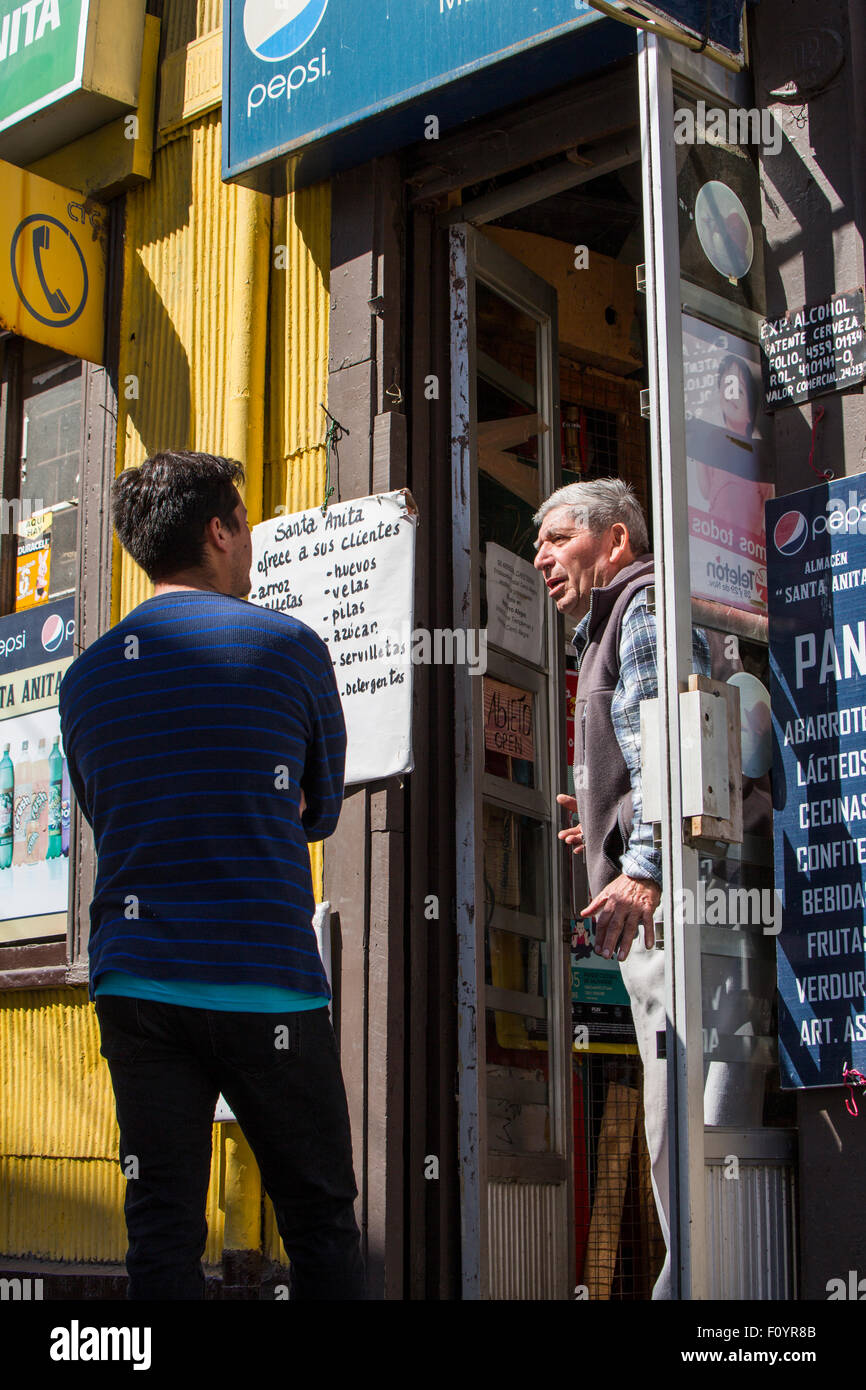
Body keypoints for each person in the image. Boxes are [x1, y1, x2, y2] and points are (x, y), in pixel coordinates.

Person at [59, 450, 366, 1301]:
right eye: (245, 526)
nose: (251, 547)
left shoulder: (84, 679)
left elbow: (104, 809)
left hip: (137, 983)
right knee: (320, 1221)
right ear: (219, 531)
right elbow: (321, 809)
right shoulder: (293, 648)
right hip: (265, 980)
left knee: (160, 1226)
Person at [532, 477, 710, 1300]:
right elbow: (642, 757)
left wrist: (641, 866)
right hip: (675, 907)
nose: (542, 558)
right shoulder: (619, 620)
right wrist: (601, 820)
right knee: (676, 1126)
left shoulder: (638, 610)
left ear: (616, 543)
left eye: (558, 538)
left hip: (677, 915)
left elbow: (669, 751)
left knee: (684, 1128)